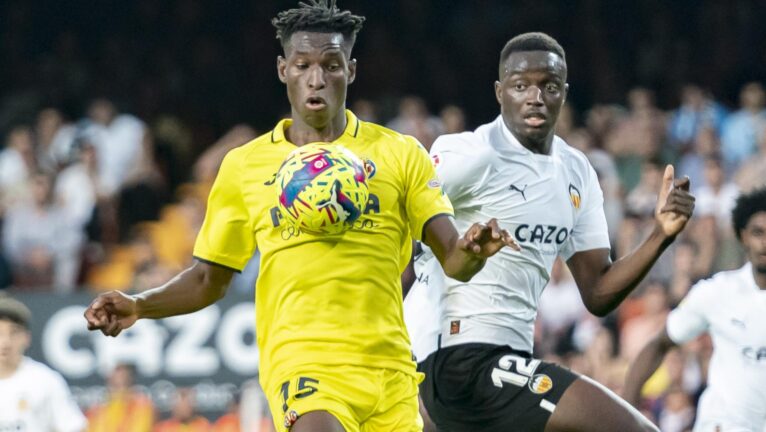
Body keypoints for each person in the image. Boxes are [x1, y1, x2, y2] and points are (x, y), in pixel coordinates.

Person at [84, 1, 515, 431]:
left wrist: (475, 249)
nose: (316, 78)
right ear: (282, 69)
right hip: (303, 362)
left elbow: (454, 260)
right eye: (302, 64)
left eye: (331, 65)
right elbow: (206, 279)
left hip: (389, 371)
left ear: (351, 71)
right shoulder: (245, 166)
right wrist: (140, 305)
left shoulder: (399, 154)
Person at [409, 32, 694, 432]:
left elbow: (597, 292)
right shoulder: (469, 154)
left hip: (509, 359)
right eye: (521, 85)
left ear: (564, 92)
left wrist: (660, 235)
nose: (535, 96)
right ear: (499, 92)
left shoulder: (576, 172)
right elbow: (401, 209)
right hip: (454, 359)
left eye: (549, 85)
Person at [624, 188, 766, 432]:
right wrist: (626, 410)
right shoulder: (717, 292)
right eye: (758, 232)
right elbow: (658, 345)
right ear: (743, 237)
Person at [0, 293, 88, 431]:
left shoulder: (45, 380)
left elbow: (73, 427)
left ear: (26, 338)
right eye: (0, 333)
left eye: (14, 333)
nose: (6, 342)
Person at [85, 362, 155, 432]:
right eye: (117, 371)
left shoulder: (141, 405)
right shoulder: (98, 409)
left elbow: (140, 428)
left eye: (124, 372)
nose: (120, 376)